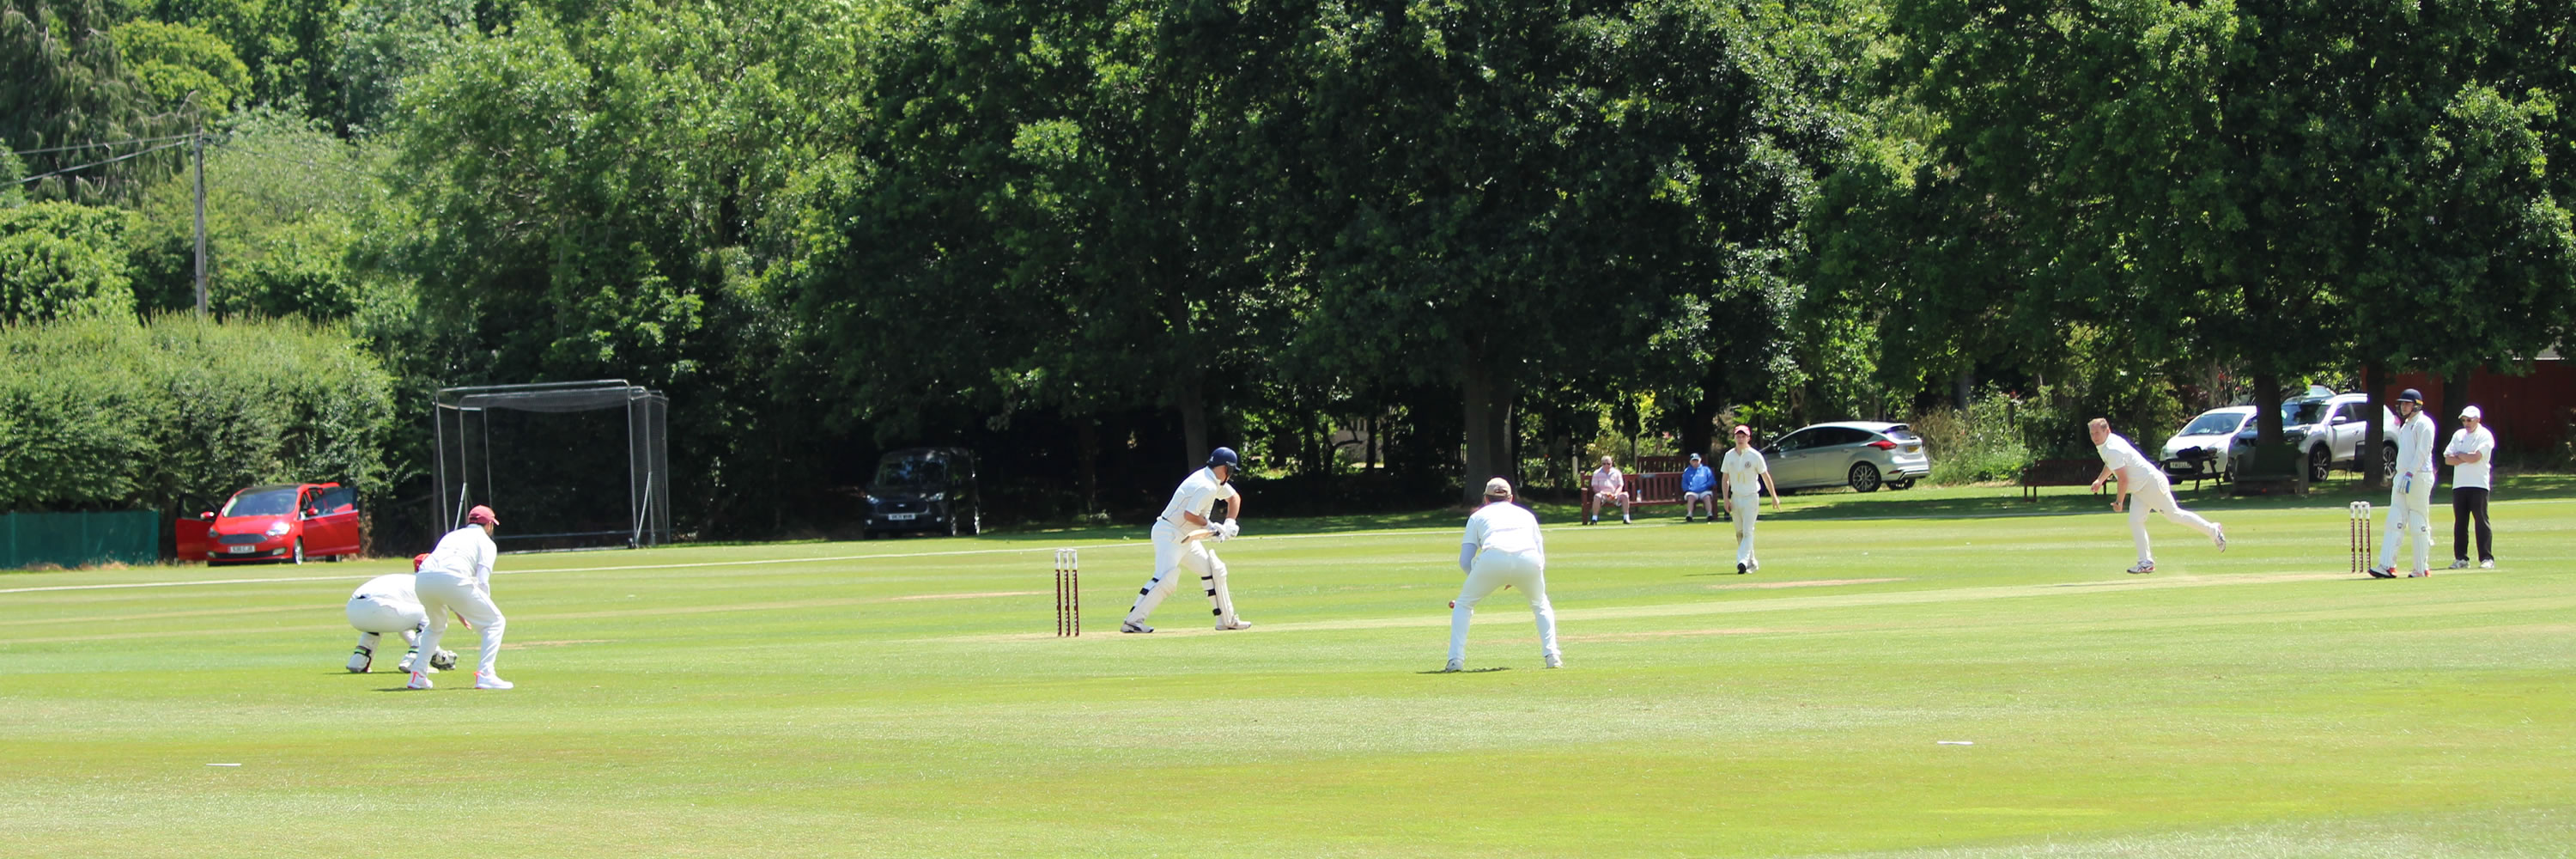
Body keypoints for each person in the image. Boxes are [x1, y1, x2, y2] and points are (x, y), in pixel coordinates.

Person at [1121, 447, 1253, 633]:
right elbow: (1190, 515)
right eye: (1231, 471)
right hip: (1170, 534)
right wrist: (1211, 527)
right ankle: (1132, 622)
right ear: (1226, 468)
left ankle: (1226, 620)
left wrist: (1230, 524)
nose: (1231, 476)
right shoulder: (1206, 485)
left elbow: (1234, 498)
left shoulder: (1212, 479)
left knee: (1214, 572)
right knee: (1165, 579)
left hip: (1187, 537)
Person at [1444, 478, 1559, 672]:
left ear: (1486, 499)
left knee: (1463, 604)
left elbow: (1465, 561)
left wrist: (1483, 579)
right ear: (1511, 498)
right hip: (1529, 559)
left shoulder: (1477, 516)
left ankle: (1455, 660)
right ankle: (1552, 656)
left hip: (1492, 558)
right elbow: (1540, 557)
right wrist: (1513, 576)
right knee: (1540, 604)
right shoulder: (1527, 515)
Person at [2088, 417, 2226, 574]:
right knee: (2135, 521)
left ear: (2107, 431)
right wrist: (2100, 480)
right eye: (2092, 434)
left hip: (2151, 484)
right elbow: (2112, 464)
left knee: (2175, 516)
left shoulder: (2112, 448)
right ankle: (2145, 562)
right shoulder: (2108, 444)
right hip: (2140, 488)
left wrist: (2119, 501)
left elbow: (2123, 479)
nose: (2095, 437)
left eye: (2097, 433)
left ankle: (2213, 530)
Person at [407, 505, 511, 690]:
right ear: (489, 525)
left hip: (423, 579)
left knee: (435, 626)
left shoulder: (451, 535)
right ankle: (486, 674)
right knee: (495, 622)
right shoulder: (486, 543)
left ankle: (417, 675)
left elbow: (442, 573)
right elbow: (482, 580)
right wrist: (480, 608)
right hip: (452, 580)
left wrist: (464, 607)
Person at [2376, 390, 2439, 578]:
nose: (2403, 407)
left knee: (2418, 519)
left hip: (2419, 475)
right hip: (2402, 475)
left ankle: (2421, 568)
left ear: (2417, 405)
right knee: (2394, 518)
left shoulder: (2425, 424)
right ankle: (2386, 565)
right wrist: (2401, 475)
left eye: (2407, 404)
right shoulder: (2406, 426)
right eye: (2402, 403)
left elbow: (2422, 453)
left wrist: (2410, 473)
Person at [343, 572, 453, 674]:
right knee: (431, 615)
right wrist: (438, 654)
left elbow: (404, 627)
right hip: (378, 606)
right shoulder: (423, 586)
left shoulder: (401, 579)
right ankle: (413, 662)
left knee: (376, 621)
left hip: (352, 610)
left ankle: (358, 660)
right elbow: (426, 625)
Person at [1718, 424, 1782, 574]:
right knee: (1739, 533)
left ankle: (1741, 561)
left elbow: (1765, 476)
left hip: (1751, 497)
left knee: (1748, 531)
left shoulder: (1755, 456)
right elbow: (1725, 479)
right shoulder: (1729, 456)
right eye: (1738, 436)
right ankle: (1751, 562)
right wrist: (1726, 499)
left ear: (1748, 438)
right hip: (1736, 498)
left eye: (1743, 436)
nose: (1740, 439)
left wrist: (1774, 497)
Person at [2443, 405, 2497, 570]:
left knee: (2481, 520)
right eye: (2464, 420)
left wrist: (2459, 455)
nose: (2466, 423)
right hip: (2460, 484)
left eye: (2469, 420)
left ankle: (2486, 558)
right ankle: (2461, 558)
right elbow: (2447, 459)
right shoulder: (2458, 435)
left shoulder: (2485, 435)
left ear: (2477, 420)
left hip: (2478, 484)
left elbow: (2476, 457)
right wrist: (2464, 456)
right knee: (2460, 522)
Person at [1585, 455, 1632, 525]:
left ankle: (1626, 518)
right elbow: (1595, 487)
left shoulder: (1617, 472)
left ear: (1611, 463)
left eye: (1608, 463)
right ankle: (1594, 519)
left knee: (1625, 495)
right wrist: (1603, 493)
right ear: (1601, 464)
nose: (1606, 465)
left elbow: (1620, 486)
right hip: (1602, 495)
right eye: (1604, 464)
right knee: (1597, 496)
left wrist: (1615, 494)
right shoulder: (1596, 473)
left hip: (1615, 495)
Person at [1679, 453, 1717, 522]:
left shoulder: (1706, 469)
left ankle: (1709, 514)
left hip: (1705, 490)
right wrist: (1689, 489)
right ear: (1690, 462)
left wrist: (1705, 486)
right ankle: (1689, 515)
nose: (1695, 462)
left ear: (1700, 460)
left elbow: (1711, 481)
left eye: (1697, 460)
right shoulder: (1687, 471)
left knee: (1707, 497)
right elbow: (1684, 483)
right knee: (1690, 497)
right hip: (1692, 491)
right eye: (1693, 461)